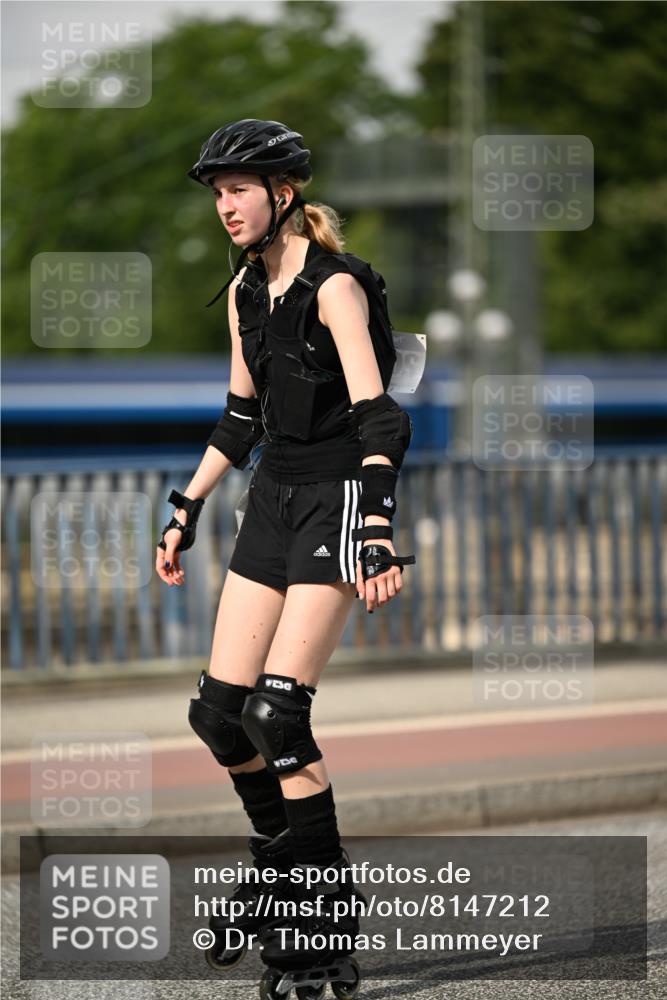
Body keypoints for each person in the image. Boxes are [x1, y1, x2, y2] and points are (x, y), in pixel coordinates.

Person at [155, 119, 414, 993]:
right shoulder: (242, 294)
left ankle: (320, 917)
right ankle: (280, 865)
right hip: (271, 499)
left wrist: (377, 525)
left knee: (278, 718)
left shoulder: (335, 287)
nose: (224, 205)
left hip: (338, 497)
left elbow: (381, 416)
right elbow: (240, 419)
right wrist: (185, 507)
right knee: (219, 717)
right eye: (217, 191)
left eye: (238, 189)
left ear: (283, 195)